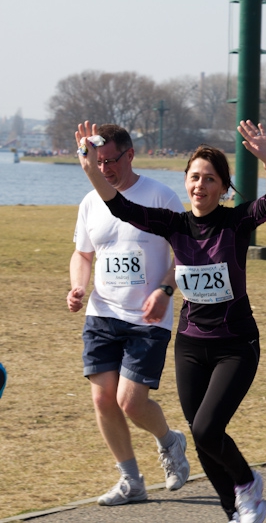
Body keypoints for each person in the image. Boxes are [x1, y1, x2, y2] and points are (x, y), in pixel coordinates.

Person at [75, 119, 266, 523]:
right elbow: (119, 205)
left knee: (208, 428)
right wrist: (89, 167)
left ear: (223, 188)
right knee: (202, 437)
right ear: (185, 182)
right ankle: (235, 511)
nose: (199, 186)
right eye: (194, 177)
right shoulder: (173, 224)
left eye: (209, 179)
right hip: (191, 343)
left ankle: (247, 484)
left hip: (236, 344)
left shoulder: (235, 223)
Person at [66, 124, 190, 507]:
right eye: (97, 162)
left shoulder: (162, 197)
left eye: (110, 160)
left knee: (131, 402)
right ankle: (131, 481)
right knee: (103, 400)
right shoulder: (91, 203)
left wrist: (165, 290)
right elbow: (83, 254)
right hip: (102, 313)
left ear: (130, 155)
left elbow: (184, 255)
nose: (104, 168)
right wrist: (79, 286)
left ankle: (170, 442)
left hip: (147, 318)